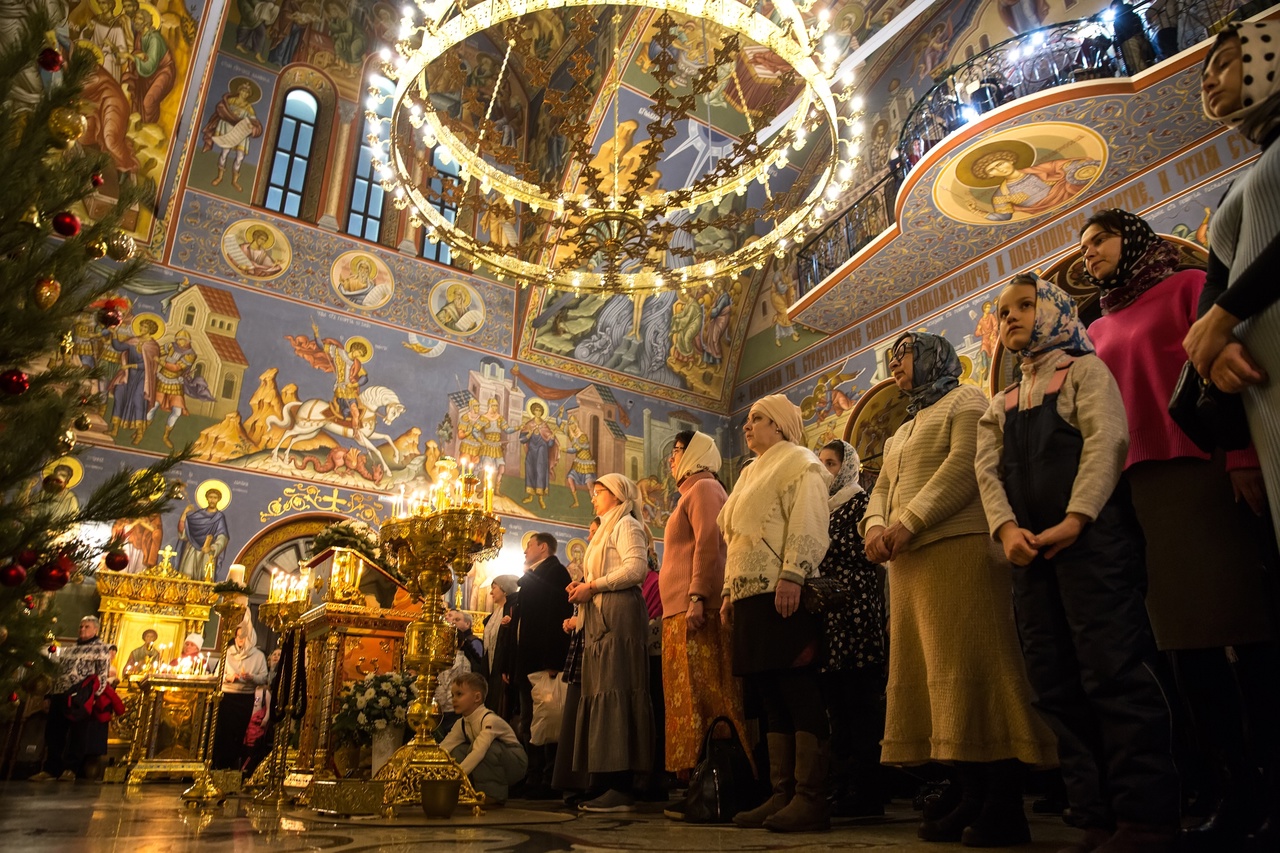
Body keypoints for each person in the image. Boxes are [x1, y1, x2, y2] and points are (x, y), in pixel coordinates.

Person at [1083, 206, 1280, 850]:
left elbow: (1227, 376)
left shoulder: (1186, 287)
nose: (1089, 253)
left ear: (1131, 236)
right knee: (1180, 644)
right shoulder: (1099, 322)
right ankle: (1230, 789)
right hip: (1136, 486)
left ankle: (1270, 788)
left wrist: (1243, 456)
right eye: (1084, 246)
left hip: (1197, 467)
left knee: (1241, 628)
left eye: (1100, 239)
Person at [976, 275, 1180, 853]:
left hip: (1092, 547)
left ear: (1054, 311)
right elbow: (987, 472)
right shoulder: (1002, 402)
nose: (1011, 317)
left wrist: (1077, 516)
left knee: (1113, 672)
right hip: (1030, 557)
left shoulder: (1085, 373)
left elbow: (1107, 441)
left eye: (1024, 305)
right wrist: (1005, 529)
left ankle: (1145, 819)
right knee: (1056, 683)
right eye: (1004, 310)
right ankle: (1094, 816)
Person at [861, 333, 1056, 846]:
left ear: (931, 357)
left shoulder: (965, 400)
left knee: (976, 668)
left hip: (960, 550)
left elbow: (964, 467)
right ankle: (971, 794)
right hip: (912, 566)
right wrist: (874, 528)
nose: (895, 368)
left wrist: (907, 522)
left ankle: (1005, 805)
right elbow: (879, 486)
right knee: (937, 676)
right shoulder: (903, 428)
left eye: (901, 358)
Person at [1185, 22, 1280, 552]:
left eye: (1223, 61)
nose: (1208, 80)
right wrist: (1211, 348)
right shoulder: (1240, 183)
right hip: (1265, 391)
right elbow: (1217, 277)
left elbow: (1221, 299)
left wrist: (1222, 319)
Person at [719, 394, 832, 833]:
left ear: (781, 426)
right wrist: (729, 590)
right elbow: (737, 540)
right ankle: (781, 793)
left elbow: (807, 520)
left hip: (782, 591)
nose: (748, 427)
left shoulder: (800, 463)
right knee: (769, 697)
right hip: (750, 596)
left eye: (758, 419)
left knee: (797, 689)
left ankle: (811, 798)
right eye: (747, 420)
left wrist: (794, 573)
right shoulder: (749, 472)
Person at [658, 430, 750, 801]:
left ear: (696, 452)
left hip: (699, 608)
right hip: (678, 610)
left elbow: (709, 547)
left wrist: (697, 595)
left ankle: (715, 778)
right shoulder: (688, 494)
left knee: (706, 695)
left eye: (677, 450)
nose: (671, 459)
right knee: (685, 697)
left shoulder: (705, 489)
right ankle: (693, 778)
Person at [564, 474, 656, 813]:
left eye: (598, 492)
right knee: (600, 691)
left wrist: (595, 585)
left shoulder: (627, 525)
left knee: (617, 689)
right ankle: (601, 780)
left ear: (616, 495)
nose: (593, 498)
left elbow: (636, 569)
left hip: (619, 615)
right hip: (600, 615)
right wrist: (582, 588)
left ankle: (621, 784)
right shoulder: (605, 528)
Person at [815, 439, 888, 818]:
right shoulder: (819, 509)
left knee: (861, 705)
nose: (823, 469)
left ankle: (868, 790)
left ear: (846, 467)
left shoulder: (861, 502)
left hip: (856, 612)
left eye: (829, 463)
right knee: (836, 707)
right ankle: (842, 784)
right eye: (820, 463)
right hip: (829, 617)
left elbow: (858, 551)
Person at [513, 532, 572, 798]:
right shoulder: (533, 576)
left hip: (543, 660)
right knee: (530, 721)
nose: (525, 550)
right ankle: (532, 775)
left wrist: (553, 660)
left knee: (547, 719)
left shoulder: (556, 574)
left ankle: (549, 779)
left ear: (543, 547)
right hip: (528, 660)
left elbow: (556, 617)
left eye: (530, 545)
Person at [29, 616, 113, 782]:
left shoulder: (102, 648)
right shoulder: (70, 649)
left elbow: (102, 675)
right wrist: (49, 695)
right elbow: (58, 673)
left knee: (77, 734)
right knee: (54, 733)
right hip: (60, 693)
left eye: (87, 627)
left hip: (81, 696)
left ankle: (71, 769)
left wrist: (94, 696)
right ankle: (51, 769)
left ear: (95, 629)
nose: (82, 629)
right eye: (81, 626)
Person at [439, 673, 528, 805]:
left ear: (477, 697)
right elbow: (444, 748)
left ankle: (494, 796)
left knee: (487, 750)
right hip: (492, 757)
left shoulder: (489, 719)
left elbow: (479, 751)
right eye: (452, 695)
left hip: (515, 762)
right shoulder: (461, 723)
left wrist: (456, 776)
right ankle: (466, 792)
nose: (454, 700)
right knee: (456, 751)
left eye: (459, 694)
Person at [212, 616, 268, 771]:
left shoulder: (258, 656)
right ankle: (218, 765)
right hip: (227, 695)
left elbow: (264, 677)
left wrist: (252, 677)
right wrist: (228, 677)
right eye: (238, 636)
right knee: (224, 732)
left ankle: (232, 767)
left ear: (250, 638)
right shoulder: (227, 653)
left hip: (245, 697)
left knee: (239, 732)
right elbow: (217, 675)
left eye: (243, 637)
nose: (240, 640)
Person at [484, 575, 520, 718]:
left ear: (504, 590)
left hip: (503, 666)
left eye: (494, 588)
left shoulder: (512, 609)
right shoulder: (495, 613)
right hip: (491, 666)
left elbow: (509, 641)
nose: (491, 592)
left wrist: (507, 666)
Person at [176, 487, 231, 581]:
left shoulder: (219, 517)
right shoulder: (198, 515)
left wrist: (212, 548)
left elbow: (223, 537)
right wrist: (184, 513)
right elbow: (185, 531)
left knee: (204, 579)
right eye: (210, 497)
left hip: (207, 551)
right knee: (186, 577)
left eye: (215, 497)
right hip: (192, 550)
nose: (212, 500)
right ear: (207, 498)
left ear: (218, 499)